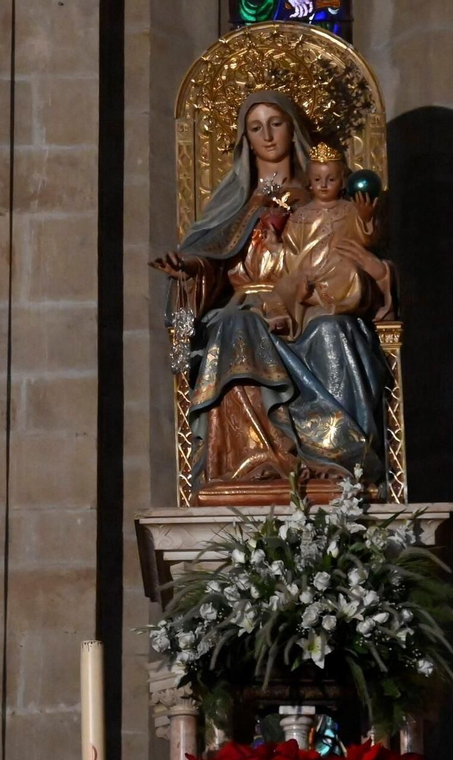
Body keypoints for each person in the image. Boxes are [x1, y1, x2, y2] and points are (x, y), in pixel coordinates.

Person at [151, 91, 391, 502]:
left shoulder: (322, 197)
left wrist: (371, 272)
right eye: (255, 127)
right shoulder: (234, 204)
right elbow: (213, 256)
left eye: (276, 123)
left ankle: (338, 458)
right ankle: (256, 461)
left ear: (292, 128)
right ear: (245, 138)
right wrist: (190, 269)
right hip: (247, 305)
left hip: (313, 299)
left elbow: (361, 253)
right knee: (234, 326)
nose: (267, 135)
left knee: (334, 331)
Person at [275, 141, 385, 328]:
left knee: (352, 273)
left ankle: (324, 301)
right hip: (309, 272)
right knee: (288, 283)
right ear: (309, 181)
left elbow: (366, 241)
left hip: (339, 268)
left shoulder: (351, 210)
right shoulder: (301, 214)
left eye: (331, 180)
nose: (324, 185)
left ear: (342, 181)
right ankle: (308, 296)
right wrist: (275, 248)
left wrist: (366, 219)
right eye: (317, 180)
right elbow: (292, 250)